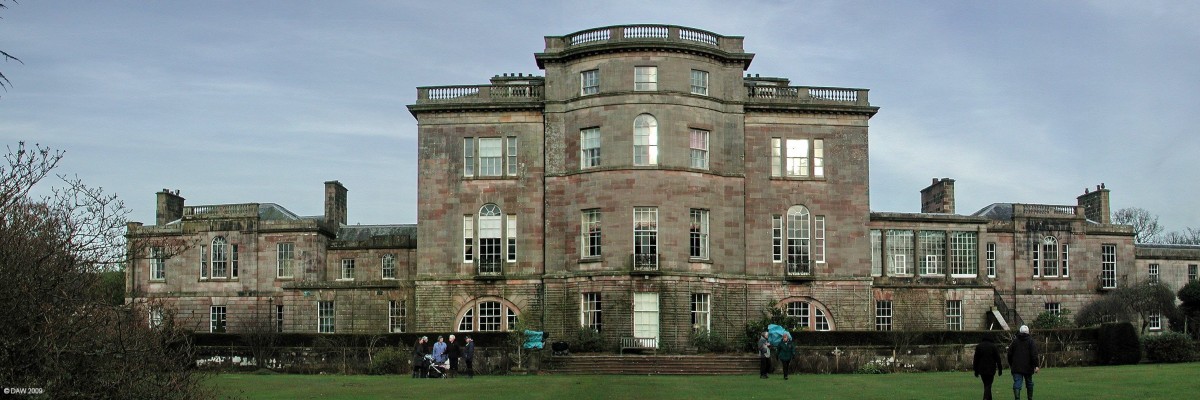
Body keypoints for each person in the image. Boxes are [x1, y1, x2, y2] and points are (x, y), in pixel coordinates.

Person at [1007, 325, 1040, 400]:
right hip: (1028, 367)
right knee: (1029, 383)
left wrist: (1011, 364)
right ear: (1028, 332)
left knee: (1017, 384)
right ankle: (1030, 398)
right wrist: (1036, 365)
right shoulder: (1031, 341)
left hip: (1016, 367)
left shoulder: (1015, 341)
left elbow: (1009, 354)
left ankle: (1017, 398)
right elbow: (1034, 354)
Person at [973, 335, 1004, 400]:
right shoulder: (993, 346)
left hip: (981, 369)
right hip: (991, 369)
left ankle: (988, 398)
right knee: (988, 384)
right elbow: (998, 358)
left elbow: (976, 359)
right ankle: (985, 398)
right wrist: (1000, 369)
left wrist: (975, 370)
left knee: (986, 384)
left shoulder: (979, 346)